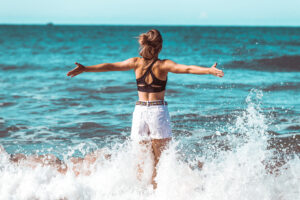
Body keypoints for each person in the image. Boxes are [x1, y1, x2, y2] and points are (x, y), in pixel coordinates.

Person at [66, 29, 224, 189]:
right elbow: (188, 68)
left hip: (140, 113)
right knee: (159, 159)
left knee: (141, 158)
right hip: (157, 112)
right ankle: (155, 191)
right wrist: (209, 70)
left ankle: (139, 192)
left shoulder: (136, 63)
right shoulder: (163, 65)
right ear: (160, 47)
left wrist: (86, 68)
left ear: (144, 45)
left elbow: (111, 66)